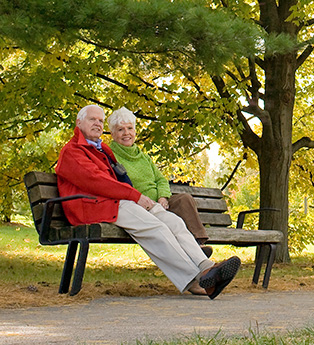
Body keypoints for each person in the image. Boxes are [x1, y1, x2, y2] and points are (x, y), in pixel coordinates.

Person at [55, 104, 240, 299]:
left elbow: (120, 179)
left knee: (173, 222)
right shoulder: (73, 151)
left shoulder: (101, 149)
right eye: (92, 119)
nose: (97, 124)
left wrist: (146, 199)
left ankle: (207, 267)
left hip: (116, 202)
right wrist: (135, 196)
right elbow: (97, 182)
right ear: (79, 123)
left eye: (100, 120)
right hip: (94, 206)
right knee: (155, 227)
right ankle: (200, 279)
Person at [107, 107, 212, 258]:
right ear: (112, 133)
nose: (126, 133)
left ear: (135, 131)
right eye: (120, 129)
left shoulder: (143, 156)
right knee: (169, 221)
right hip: (140, 207)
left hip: (160, 204)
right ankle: (194, 253)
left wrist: (163, 197)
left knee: (184, 199)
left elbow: (160, 179)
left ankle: (198, 245)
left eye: (130, 128)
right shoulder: (111, 156)